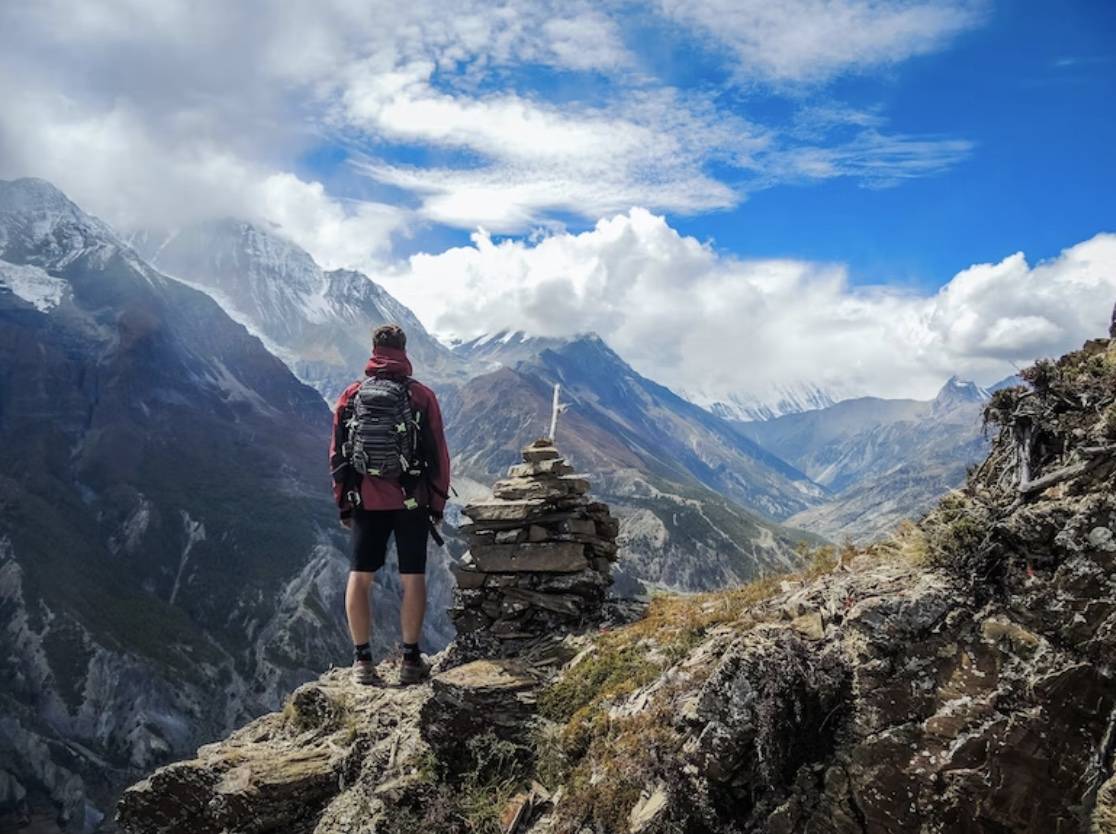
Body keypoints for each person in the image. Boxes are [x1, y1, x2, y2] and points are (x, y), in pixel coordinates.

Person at [329, 324, 451, 685]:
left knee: (360, 577)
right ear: (404, 350)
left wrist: (344, 504)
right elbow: (439, 455)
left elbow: (337, 455)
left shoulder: (351, 396)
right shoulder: (421, 396)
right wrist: (438, 504)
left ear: (373, 350)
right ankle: (411, 660)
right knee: (413, 578)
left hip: (366, 499)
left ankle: (362, 662)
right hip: (412, 499)